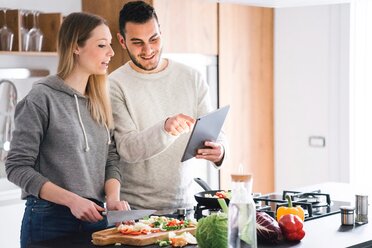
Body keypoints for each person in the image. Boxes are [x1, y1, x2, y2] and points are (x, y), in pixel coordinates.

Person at [5, 12, 129, 248]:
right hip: (49, 221)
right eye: (102, 45)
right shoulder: (41, 98)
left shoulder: (98, 100)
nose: (111, 53)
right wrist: (73, 200)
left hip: (95, 219)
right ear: (76, 47)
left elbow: (110, 158)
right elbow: (16, 166)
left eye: (110, 45)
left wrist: (112, 198)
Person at [109, 0, 228, 210]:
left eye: (154, 39)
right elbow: (127, 148)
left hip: (186, 206)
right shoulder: (115, 84)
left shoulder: (192, 77)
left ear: (161, 32)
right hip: (137, 211)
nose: (148, 50)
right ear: (122, 41)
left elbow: (213, 131)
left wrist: (220, 151)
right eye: (137, 42)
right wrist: (165, 128)